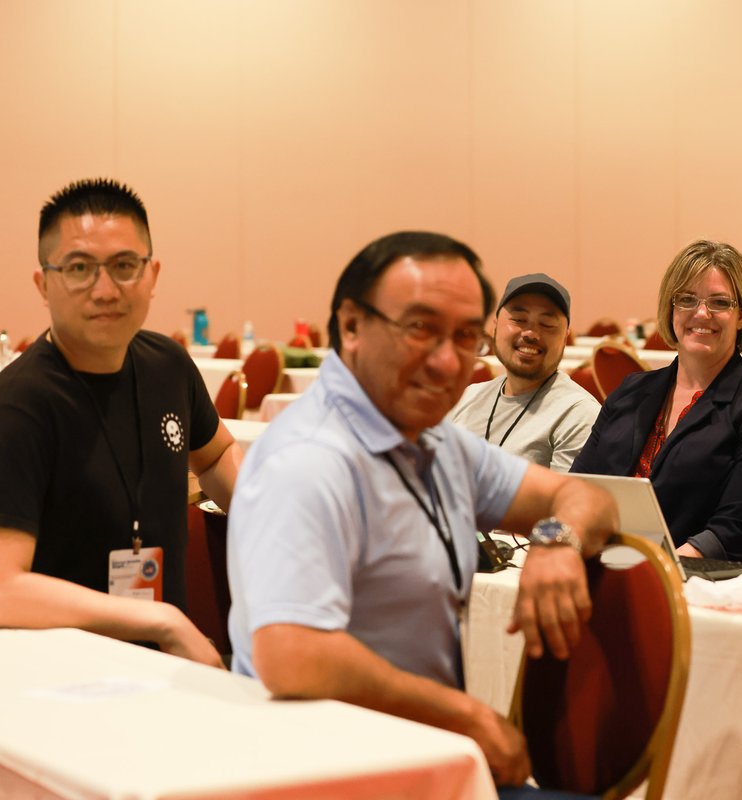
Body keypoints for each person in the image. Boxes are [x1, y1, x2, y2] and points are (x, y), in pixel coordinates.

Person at [226, 231, 618, 790]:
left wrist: (557, 541)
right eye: (420, 329)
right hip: (325, 770)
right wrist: (468, 718)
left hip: (419, 759)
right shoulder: (310, 459)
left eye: (463, 337)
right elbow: (293, 654)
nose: (446, 361)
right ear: (352, 325)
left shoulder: (432, 440)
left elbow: (584, 498)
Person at [0, 178, 240, 667]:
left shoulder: (167, 364)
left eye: (125, 267)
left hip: (166, 666)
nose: (105, 290)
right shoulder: (20, 404)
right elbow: (4, 587)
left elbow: (214, 454)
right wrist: (165, 622)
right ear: (43, 284)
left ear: (152, 275)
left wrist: (279, 523)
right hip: (59, 674)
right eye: (79, 268)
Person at [570, 240, 742, 566]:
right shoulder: (631, 393)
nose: (701, 313)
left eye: (720, 302)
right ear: (671, 308)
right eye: (687, 299)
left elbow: (733, 532)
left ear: (741, 316)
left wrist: (652, 577)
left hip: (700, 590)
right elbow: (579, 488)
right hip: (602, 568)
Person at [451, 272, 599, 471]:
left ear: (565, 337)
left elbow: (565, 500)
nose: (530, 333)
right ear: (494, 327)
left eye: (546, 324)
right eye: (519, 320)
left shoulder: (578, 414)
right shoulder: (468, 398)